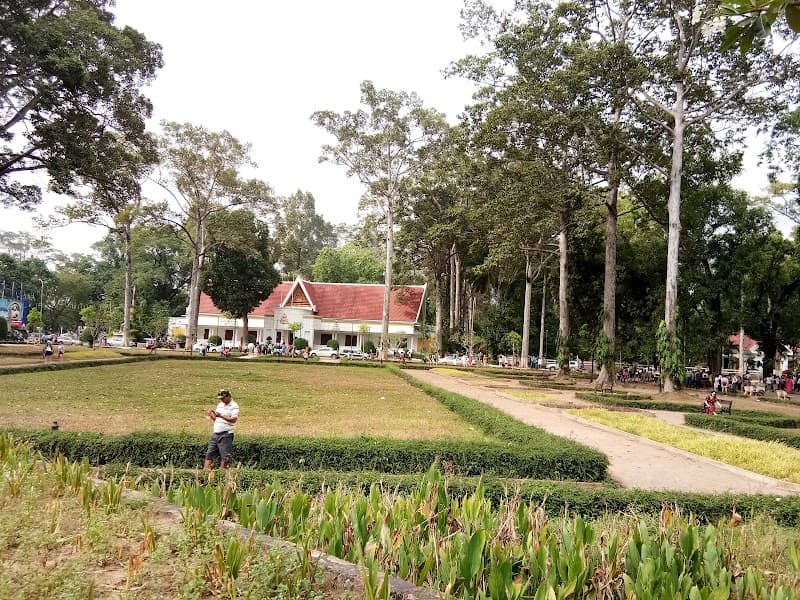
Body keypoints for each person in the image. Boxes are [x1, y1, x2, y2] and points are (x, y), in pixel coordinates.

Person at [204, 389, 239, 470]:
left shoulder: (234, 406)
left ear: (228, 396)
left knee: (224, 456)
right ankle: (205, 471)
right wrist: (211, 414)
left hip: (226, 434)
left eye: (223, 398)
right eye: (220, 398)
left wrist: (221, 416)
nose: (221, 400)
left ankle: (222, 472)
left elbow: (234, 419)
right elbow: (216, 419)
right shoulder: (220, 405)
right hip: (216, 433)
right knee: (209, 453)